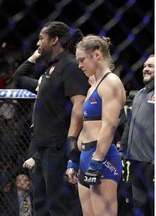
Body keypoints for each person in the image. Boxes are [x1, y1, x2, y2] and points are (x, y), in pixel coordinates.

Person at [14, 21, 89, 216]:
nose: (38, 43)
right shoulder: (51, 68)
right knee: (42, 206)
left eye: (41, 38)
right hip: (42, 148)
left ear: (54, 40)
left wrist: (72, 140)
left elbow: (79, 105)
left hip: (58, 147)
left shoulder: (71, 64)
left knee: (60, 207)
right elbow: (18, 77)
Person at [66, 35, 126, 216]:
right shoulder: (93, 86)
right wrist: (74, 159)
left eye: (82, 60)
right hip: (86, 156)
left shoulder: (111, 83)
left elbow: (108, 127)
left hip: (103, 158)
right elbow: (87, 127)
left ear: (97, 55)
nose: (80, 65)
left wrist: (97, 160)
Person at [120, 54, 154, 216]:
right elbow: (129, 124)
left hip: (151, 162)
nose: (146, 69)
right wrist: (123, 150)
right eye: (145, 66)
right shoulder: (140, 94)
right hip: (135, 162)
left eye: (151, 66)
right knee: (139, 207)